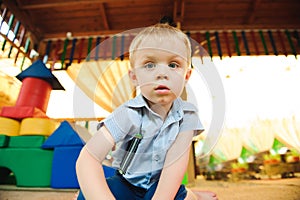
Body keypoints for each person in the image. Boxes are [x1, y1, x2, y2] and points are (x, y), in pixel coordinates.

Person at [76, 23, 218, 200]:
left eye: (173, 65)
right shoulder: (128, 114)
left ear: (186, 76)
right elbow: (88, 158)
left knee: (180, 196)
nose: (162, 73)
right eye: (150, 65)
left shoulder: (188, 116)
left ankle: (193, 196)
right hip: (127, 183)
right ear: (134, 77)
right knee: (87, 194)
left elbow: (175, 165)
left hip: (162, 184)